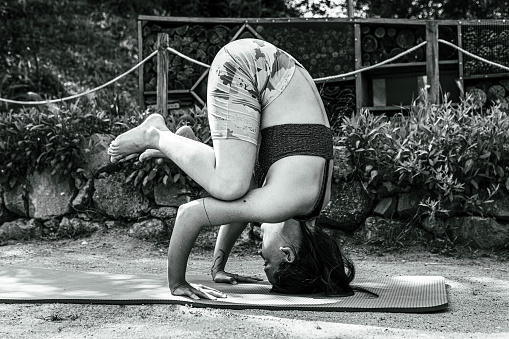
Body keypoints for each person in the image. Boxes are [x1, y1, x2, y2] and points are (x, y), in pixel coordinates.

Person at [108, 38, 355, 300]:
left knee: (239, 185)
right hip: (249, 67)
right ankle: (155, 132)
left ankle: (183, 146)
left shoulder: (311, 202)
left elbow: (246, 201)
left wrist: (218, 267)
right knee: (229, 185)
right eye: (267, 263)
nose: (260, 256)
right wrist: (178, 283)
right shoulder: (282, 202)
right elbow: (189, 215)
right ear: (288, 254)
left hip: (274, 68)